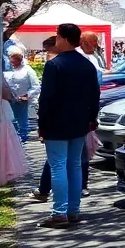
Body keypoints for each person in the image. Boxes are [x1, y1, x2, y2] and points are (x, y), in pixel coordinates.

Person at [36, 23, 100, 228]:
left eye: (57, 36)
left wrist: (42, 123)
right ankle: (73, 210)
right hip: (80, 122)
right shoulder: (87, 64)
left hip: (56, 122)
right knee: (74, 165)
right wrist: (92, 118)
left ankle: (59, 212)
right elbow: (95, 94)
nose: (55, 40)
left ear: (63, 38)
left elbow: (46, 98)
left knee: (58, 166)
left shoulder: (54, 65)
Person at [4, 48, 39, 142]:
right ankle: (13, 139)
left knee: (22, 121)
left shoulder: (28, 70)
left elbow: (36, 86)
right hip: (8, 99)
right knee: (11, 121)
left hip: (21, 100)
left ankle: (22, 138)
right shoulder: (7, 70)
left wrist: (27, 95)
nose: (13, 63)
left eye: (16, 60)